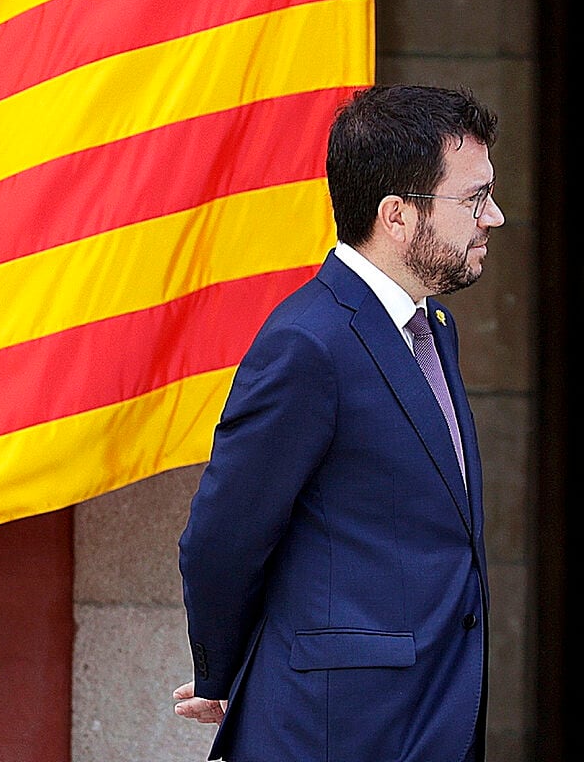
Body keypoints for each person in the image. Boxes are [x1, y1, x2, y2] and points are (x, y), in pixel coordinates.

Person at [172, 84, 502, 762]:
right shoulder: (308, 342)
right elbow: (222, 538)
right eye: (473, 198)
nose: (493, 216)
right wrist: (223, 671)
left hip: (436, 714)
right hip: (338, 731)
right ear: (398, 216)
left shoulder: (435, 328)